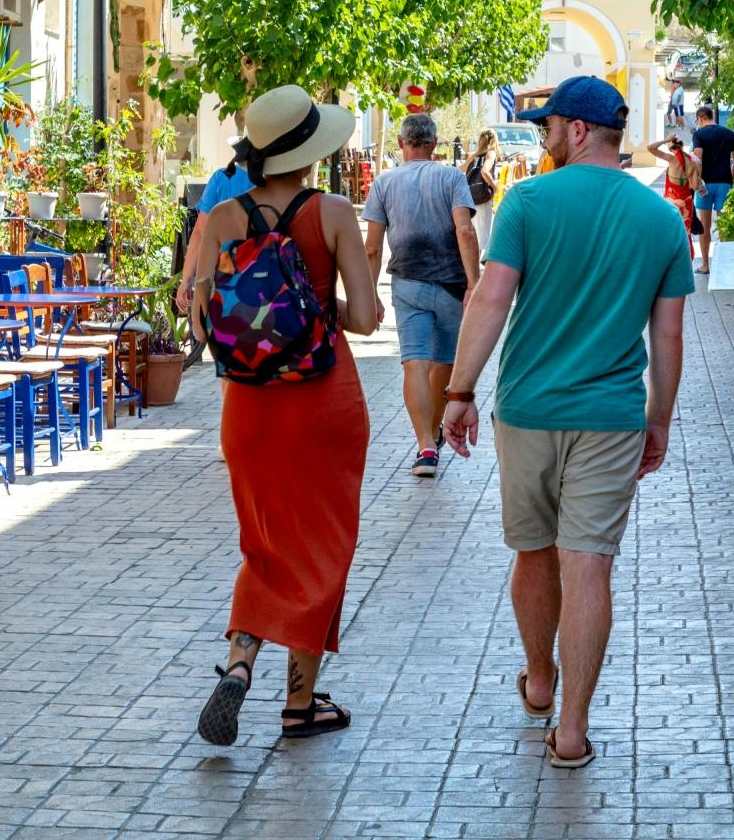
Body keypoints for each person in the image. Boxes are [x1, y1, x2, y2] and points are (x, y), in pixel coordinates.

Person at [441, 75, 693, 770]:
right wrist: (659, 417)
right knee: (589, 565)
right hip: (611, 416)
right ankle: (574, 729)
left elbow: (491, 299)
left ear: (578, 130)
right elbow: (666, 337)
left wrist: (458, 390)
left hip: (528, 409)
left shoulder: (527, 201)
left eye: (551, 124)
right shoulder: (661, 218)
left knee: (532, 551)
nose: (545, 133)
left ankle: (541, 678)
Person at [190, 84, 379, 746]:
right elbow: (365, 314)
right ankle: (299, 703)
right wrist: (313, 312)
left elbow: (200, 314)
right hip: (321, 401)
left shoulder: (220, 215)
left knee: (265, 547)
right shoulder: (331, 211)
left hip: (247, 407)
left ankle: (241, 658)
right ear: (311, 148)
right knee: (322, 546)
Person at [364, 113, 482, 478]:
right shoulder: (451, 177)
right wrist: (474, 283)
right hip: (450, 285)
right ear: (434, 144)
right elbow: (465, 231)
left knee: (414, 362)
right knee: (443, 360)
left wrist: (370, 295)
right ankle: (434, 429)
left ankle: (425, 448)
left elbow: (372, 248)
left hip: (408, 285)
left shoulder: (383, 183)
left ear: (401, 144)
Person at [175, 155, 255, 314]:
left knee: (221, 332)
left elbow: (199, 232)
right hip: (266, 276)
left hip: (225, 277)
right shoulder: (278, 181)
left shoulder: (222, 178)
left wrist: (187, 279)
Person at [686, 104, 734, 275]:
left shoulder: (699, 134)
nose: (698, 123)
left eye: (697, 120)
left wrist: (697, 181)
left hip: (706, 185)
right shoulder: (728, 133)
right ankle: (724, 265)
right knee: (724, 224)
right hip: (724, 183)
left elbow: (697, 159)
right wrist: (730, 178)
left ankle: (705, 265)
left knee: (704, 225)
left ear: (701, 117)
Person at [646, 133, 701, 241]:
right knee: (685, 234)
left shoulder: (671, 159)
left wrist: (665, 140)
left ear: (670, 146)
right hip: (686, 203)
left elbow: (650, 148)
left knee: (671, 234)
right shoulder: (693, 163)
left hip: (672, 202)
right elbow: (695, 187)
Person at [466, 129, 502, 254]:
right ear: (493, 140)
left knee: (473, 235)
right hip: (482, 197)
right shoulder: (490, 153)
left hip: (470, 198)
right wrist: (494, 186)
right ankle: (477, 270)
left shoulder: (474, 156)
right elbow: (485, 171)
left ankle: (472, 267)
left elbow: (460, 169)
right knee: (482, 237)